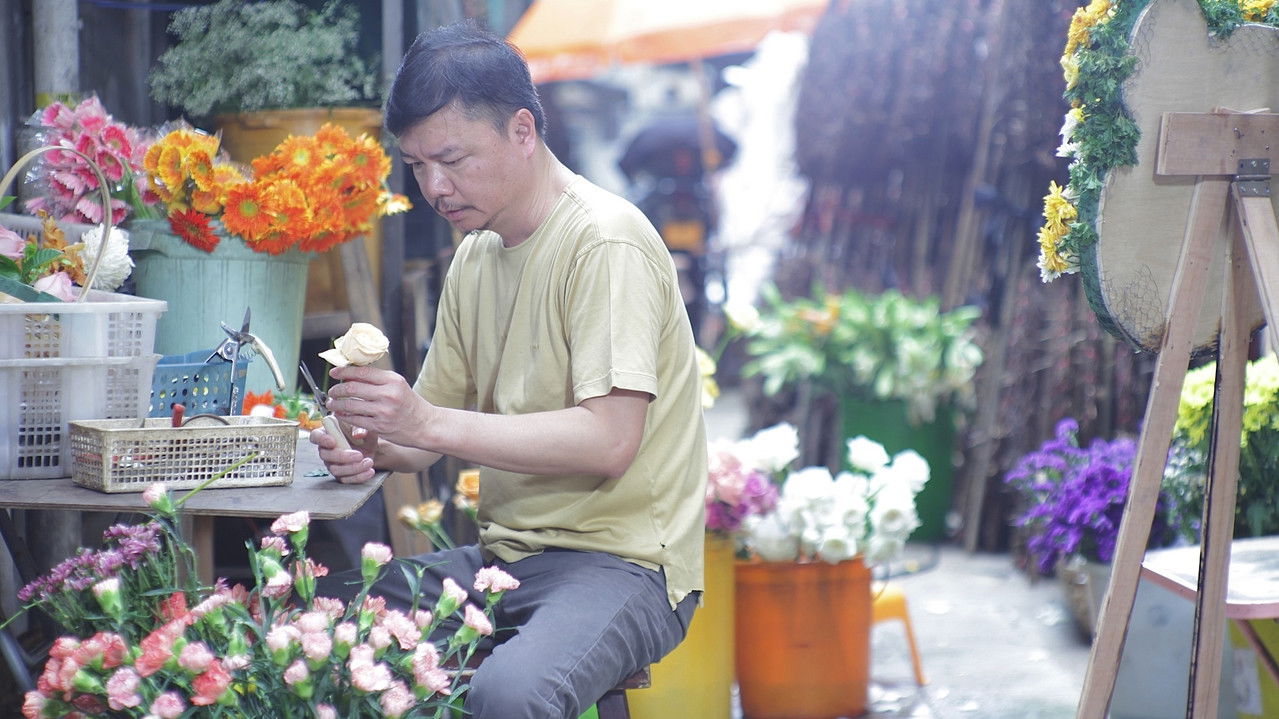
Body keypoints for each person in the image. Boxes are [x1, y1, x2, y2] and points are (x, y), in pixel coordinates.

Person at [310, 20, 707, 719]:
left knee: (511, 692)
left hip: (627, 565)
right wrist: (369, 441)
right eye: (416, 166)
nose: (435, 187)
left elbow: (609, 440)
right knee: (311, 622)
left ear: (523, 130)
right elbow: (422, 437)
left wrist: (423, 422)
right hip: (506, 564)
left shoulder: (604, 241)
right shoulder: (477, 252)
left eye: (452, 159)